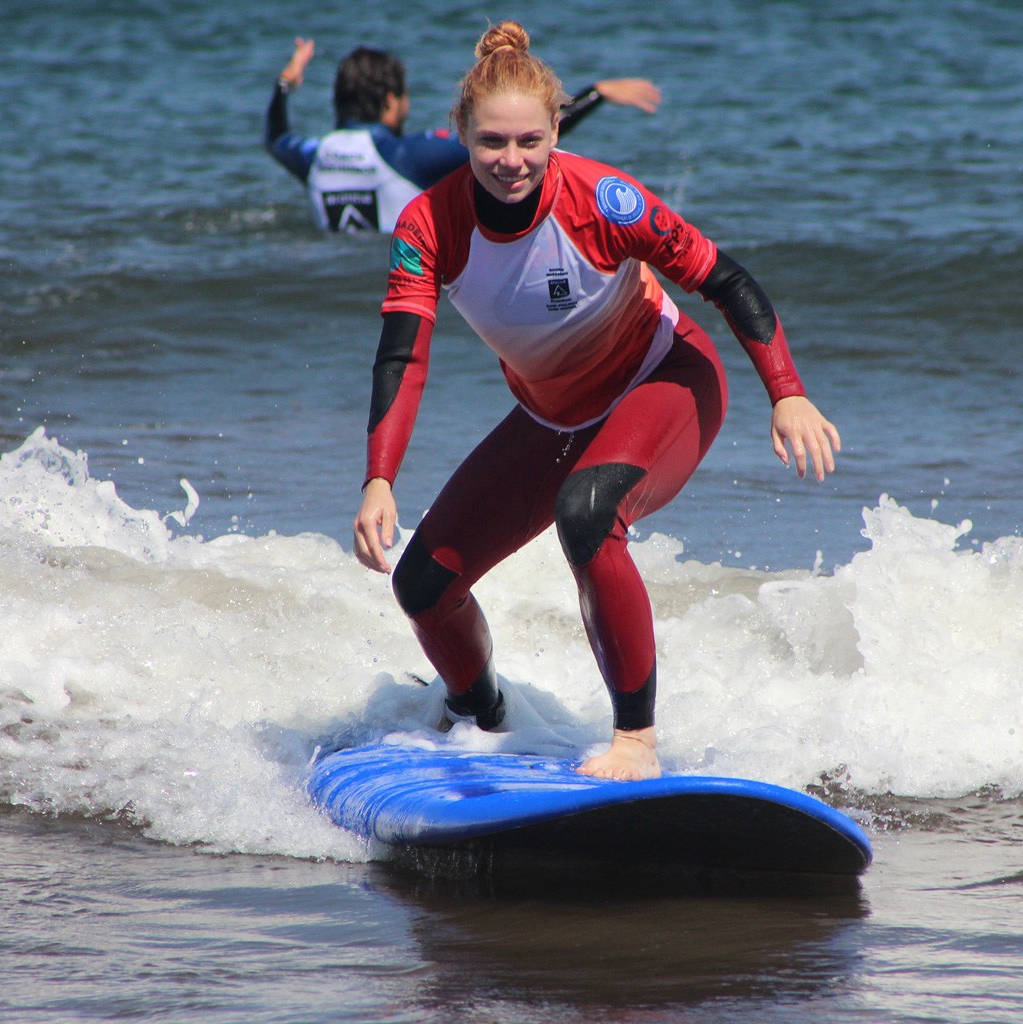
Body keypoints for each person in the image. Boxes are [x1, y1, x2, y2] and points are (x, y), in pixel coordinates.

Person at [352, 21, 840, 782]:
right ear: (459, 135)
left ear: (555, 130)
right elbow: (403, 357)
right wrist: (379, 477)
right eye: (490, 143)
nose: (510, 161)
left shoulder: (602, 200)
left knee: (587, 513)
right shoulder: (428, 225)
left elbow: (725, 278)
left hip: (665, 378)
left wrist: (788, 394)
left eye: (527, 142)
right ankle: (484, 718)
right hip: (554, 417)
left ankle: (636, 742)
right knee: (423, 586)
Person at [265, 37, 662, 234]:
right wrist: (596, 94)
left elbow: (275, 137)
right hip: (390, 269)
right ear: (390, 101)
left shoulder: (312, 157)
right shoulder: (407, 155)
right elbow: (517, 135)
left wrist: (285, 84)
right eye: (403, 98)